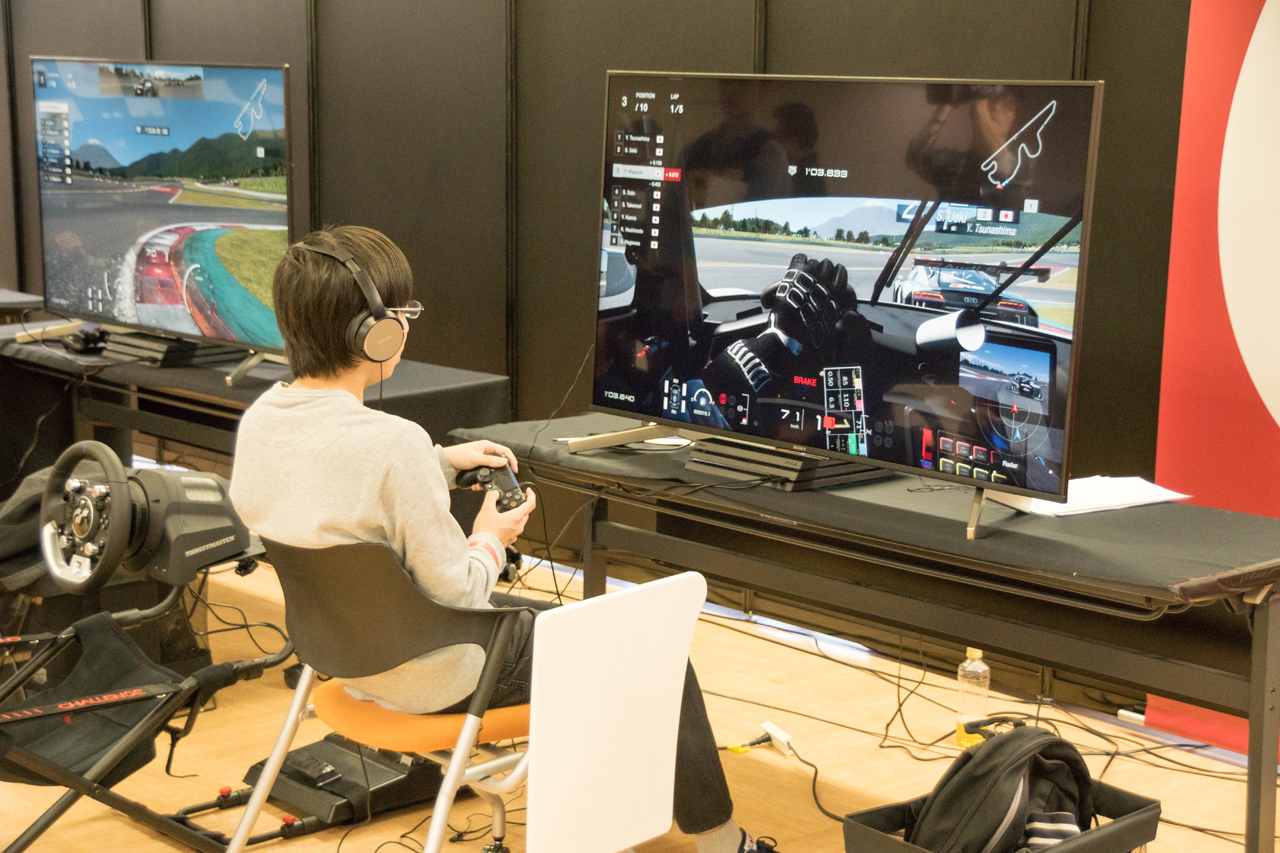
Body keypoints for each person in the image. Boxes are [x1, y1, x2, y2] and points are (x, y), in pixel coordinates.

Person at [230, 226, 772, 853]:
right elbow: (460, 595)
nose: (406, 325)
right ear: (375, 333)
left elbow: (323, 490)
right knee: (653, 647)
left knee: (576, 628)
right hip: (439, 673)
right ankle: (725, 844)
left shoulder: (264, 420)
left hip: (343, 657)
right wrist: (491, 536)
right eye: (403, 314)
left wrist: (438, 464)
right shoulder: (393, 444)